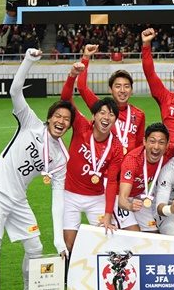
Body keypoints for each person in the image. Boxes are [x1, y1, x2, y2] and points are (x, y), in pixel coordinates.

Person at [0, 49, 71, 290]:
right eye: (58, 116)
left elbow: (58, 199)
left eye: (66, 119)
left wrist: (58, 240)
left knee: (35, 247)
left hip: (18, 199)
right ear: (49, 118)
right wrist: (29, 60)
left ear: (69, 126)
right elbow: (15, 90)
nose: (61, 121)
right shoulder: (30, 122)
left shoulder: (61, 157)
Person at [60, 63, 123, 253]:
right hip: (70, 194)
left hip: (96, 198)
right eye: (102, 113)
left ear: (115, 120)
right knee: (69, 245)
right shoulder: (81, 126)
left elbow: (112, 182)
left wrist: (108, 213)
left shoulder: (116, 146)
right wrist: (72, 76)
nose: (106, 117)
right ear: (94, 115)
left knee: (107, 241)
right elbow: (66, 100)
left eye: (111, 114)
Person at [75, 44, 145, 155]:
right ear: (110, 89)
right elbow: (82, 87)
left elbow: (140, 145)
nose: (122, 90)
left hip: (127, 164)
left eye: (126, 86)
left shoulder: (139, 115)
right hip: (103, 162)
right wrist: (86, 57)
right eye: (118, 86)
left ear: (131, 90)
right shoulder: (101, 107)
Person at [116, 123, 172, 232]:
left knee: (152, 233)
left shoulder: (168, 154)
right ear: (144, 141)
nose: (156, 147)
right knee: (134, 232)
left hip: (140, 196)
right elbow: (122, 199)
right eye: (152, 141)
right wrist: (130, 206)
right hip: (118, 197)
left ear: (167, 144)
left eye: (161, 142)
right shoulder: (133, 160)